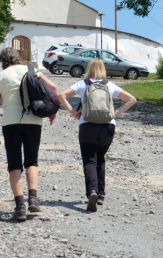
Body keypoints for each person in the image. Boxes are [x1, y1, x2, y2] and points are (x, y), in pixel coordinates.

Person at [57, 58, 137, 212]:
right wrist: (115, 113)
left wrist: (74, 113)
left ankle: (92, 191)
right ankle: (101, 194)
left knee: (89, 160)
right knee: (100, 159)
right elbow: (131, 100)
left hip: (87, 125)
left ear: (89, 69)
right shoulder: (109, 85)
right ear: (103, 70)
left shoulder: (83, 84)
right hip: (107, 127)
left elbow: (61, 95)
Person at [0, 47, 58, 221]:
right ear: (18, 58)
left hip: (10, 121)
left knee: (14, 165)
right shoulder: (32, 70)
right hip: (33, 120)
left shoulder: (0, 77)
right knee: (32, 161)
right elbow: (53, 87)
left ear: (2, 61)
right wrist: (52, 111)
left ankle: (20, 206)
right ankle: (33, 198)